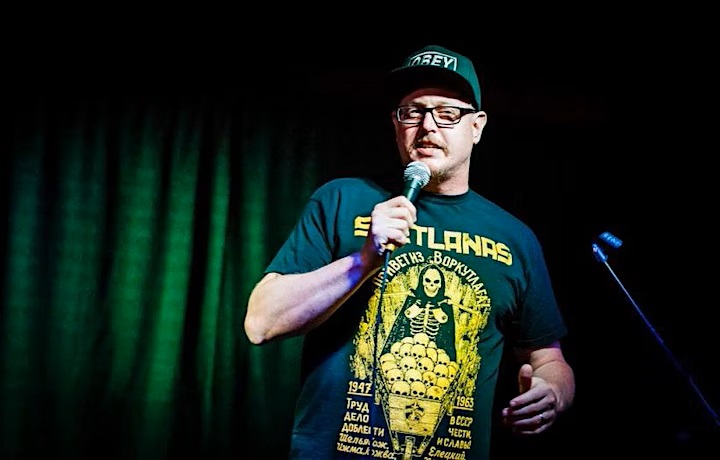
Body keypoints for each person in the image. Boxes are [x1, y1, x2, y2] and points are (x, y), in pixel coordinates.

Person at [244, 44, 575, 459]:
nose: (427, 126)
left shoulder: (514, 237)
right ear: (395, 123)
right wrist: (363, 260)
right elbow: (261, 323)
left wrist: (553, 393)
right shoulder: (342, 200)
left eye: (447, 113)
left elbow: (548, 358)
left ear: (476, 126)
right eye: (412, 112)